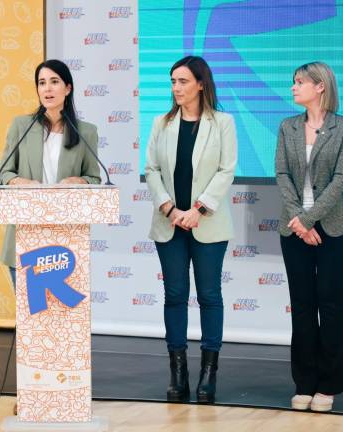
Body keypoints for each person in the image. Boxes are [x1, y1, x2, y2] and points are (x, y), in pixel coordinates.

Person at [144, 56, 237, 404]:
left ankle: (209, 374)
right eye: (172, 82)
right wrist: (169, 207)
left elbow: (226, 170)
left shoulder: (222, 122)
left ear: (200, 83)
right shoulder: (161, 123)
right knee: (175, 296)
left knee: (210, 296)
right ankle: (178, 373)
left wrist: (197, 209)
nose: (176, 88)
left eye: (183, 81)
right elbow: (151, 169)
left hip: (207, 223)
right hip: (169, 225)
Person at [275, 61, 343, 412]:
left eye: (300, 82)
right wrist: (299, 221)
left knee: (330, 304)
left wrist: (308, 219)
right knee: (303, 308)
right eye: (293, 82)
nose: (293, 88)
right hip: (294, 229)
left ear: (320, 86)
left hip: (333, 228)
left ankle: (328, 385)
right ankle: (304, 383)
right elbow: (281, 173)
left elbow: (341, 180)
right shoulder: (287, 127)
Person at [0, 59, 101, 282]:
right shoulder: (21, 126)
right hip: (25, 235)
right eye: (42, 83)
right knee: (30, 316)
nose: (48, 88)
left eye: (54, 81)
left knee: (59, 315)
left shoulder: (86, 132)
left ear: (68, 88)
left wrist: (79, 181)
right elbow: (3, 173)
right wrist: (20, 182)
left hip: (65, 239)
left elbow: (94, 178)